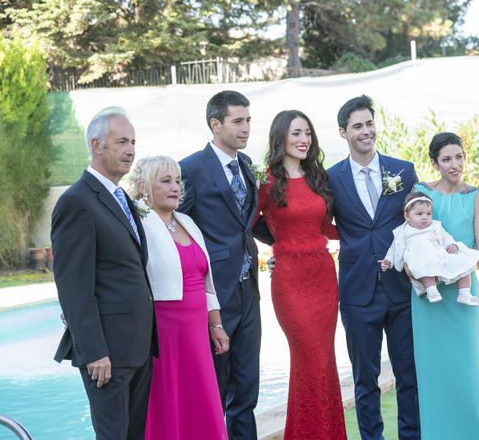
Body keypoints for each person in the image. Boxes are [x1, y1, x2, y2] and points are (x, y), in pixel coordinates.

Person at [51, 107, 158, 440]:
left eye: (134, 142)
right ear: (97, 145)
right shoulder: (77, 202)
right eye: (122, 142)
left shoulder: (121, 196)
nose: (131, 150)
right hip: (107, 353)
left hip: (137, 347)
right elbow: (73, 287)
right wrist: (94, 351)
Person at [178, 90, 270, 440]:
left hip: (250, 290)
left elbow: (250, 223)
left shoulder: (246, 166)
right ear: (215, 124)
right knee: (215, 384)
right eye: (238, 121)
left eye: (248, 120)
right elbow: (176, 226)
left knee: (247, 385)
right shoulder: (190, 169)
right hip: (214, 293)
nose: (246, 127)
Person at [327, 95, 420, 440]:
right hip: (356, 291)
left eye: (369, 124)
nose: (366, 132)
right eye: (357, 126)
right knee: (365, 380)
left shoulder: (403, 170)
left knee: (408, 375)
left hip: (401, 288)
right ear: (343, 132)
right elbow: (316, 223)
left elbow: (419, 222)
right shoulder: (330, 178)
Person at [255, 110, 346, 440]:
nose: (304, 139)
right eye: (296, 133)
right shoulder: (266, 181)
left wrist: (366, 235)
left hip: (323, 277)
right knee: (309, 358)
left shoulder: (318, 177)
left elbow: (325, 228)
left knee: (323, 361)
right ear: (281, 138)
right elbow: (248, 222)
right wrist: (278, 245)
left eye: (307, 132)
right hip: (290, 283)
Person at [412, 131, 479, 439]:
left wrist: (449, 268)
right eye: (447, 159)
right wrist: (429, 271)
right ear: (434, 163)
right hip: (429, 298)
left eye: (459, 157)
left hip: (463, 293)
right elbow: (410, 237)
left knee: (468, 373)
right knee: (433, 374)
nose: (455, 165)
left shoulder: (476, 196)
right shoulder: (421, 192)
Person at [129, 156, 229, 440]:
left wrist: (216, 325)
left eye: (177, 181)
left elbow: (205, 281)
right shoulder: (138, 222)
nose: (175, 187)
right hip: (164, 332)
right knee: (169, 403)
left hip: (196, 332)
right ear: (143, 186)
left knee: (202, 398)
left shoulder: (186, 221)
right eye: (165, 181)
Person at [380, 191, 479, 306]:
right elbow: (394, 248)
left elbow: (446, 237)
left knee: (462, 264)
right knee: (424, 267)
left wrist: (453, 245)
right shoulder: (403, 231)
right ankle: (431, 290)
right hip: (419, 259)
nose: (425, 217)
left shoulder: (435, 226)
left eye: (428, 213)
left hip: (438, 255)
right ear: (407, 216)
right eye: (419, 214)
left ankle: (464, 293)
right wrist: (388, 260)